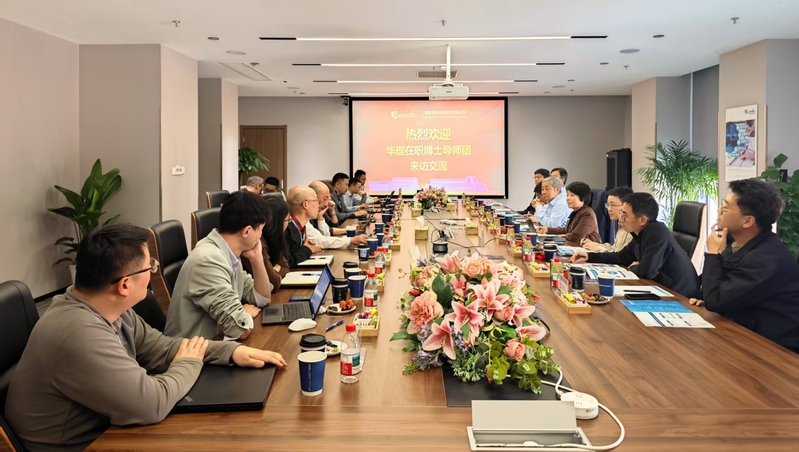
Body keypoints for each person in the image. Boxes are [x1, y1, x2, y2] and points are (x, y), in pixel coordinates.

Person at [5, 224, 286, 451]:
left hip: (111, 429)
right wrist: (189, 363)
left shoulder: (109, 307)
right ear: (125, 285)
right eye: (149, 267)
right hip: (89, 444)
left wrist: (229, 352)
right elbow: (150, 404)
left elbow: (160, 348)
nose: (153, 271)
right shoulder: (78, 332)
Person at [688, 179, 799, 352]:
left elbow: (716, 300)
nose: (719, 210)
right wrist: (706, 296)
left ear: (747, 221)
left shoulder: (767, 258)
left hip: (774, 350)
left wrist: (713, 254)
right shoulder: (737, 243)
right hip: (743, 331)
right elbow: (716, 290)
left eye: (725, 208)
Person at [165, 192, 273, 340]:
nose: (260, 235)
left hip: (216, 342)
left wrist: (257, 259)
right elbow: (239, 329)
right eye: (260, 229)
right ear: (247, 231)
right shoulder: (208, 260)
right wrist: (245, 314)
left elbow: (262, 299)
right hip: (193, 350)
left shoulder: (229, 253)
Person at [571, 193, 701, 299]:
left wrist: (634, 267)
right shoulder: (640, 233)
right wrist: (589, 256)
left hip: (680, 296)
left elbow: (647, 271)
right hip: (660, 289)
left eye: (625, 216)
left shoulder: (656, 233)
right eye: (621, 214)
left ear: (642, 220)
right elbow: (621, 256)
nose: (621, 220)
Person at [242, 196, 291, 291]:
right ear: (277, 223)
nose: (288, 224)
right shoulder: (257, 242)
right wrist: (275, 270)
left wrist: (274, 272)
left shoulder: (274, 239)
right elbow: (273, 283)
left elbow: (285, 266)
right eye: (287, 220)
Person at [308, 181, 369, 249]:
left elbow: (326, 234)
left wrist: (320, 217)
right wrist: (350, 239)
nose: (326, 204)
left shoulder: (320, 211)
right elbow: (320, 240)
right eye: (325, 199)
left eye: (328, 199)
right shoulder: (306, 219)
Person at [536, 182, 600, 246]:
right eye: (567, 195)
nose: (568, 198)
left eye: (572, 195)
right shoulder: (575, 212)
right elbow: (566, 230)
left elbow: (577, 235)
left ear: (582, 198)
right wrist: (547, 230)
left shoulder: (587, 214)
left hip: (587, 249)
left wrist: (564, 236)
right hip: (574, 246)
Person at [582, 186, 634, 252]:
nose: (609, 209)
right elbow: (614, 248)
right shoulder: (620, 225)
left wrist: (597, 247)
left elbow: (620, 255)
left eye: (613, 205)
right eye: (608, 205)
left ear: (626, 205)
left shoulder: (632, 229)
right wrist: (595, 245)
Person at [284, 185, 323, 267]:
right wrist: (307, 249)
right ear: (305, 204)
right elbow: (288, 262)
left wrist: (307, 247)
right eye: (316, 201)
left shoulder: (301, 226)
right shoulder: (285, 228)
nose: (318, 205)